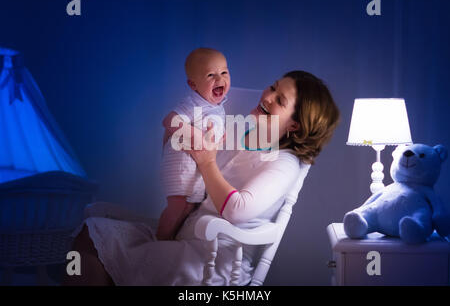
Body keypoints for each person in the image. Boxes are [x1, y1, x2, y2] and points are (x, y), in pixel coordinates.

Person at [63, 70, 340, 286]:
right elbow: (191, 173)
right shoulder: (246, 136)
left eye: (280, 100)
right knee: (93, 230)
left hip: (213, 261)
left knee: (98, 243)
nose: (267, 96)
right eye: (273, 86)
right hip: (187, 236)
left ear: (295, 124)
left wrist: (207, 161)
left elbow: (237, 209)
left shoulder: (285, 163)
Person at [157, 47, 231, 240]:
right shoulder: (194, 102)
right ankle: (159, 241)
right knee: (178, 206)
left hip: (195, 167)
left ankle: (171, 239)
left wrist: (218, 136)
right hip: (180, 165)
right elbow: (170, 121)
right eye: (210, 75)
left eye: (224, 72)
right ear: (193, 84)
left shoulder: (216, 106)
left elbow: (212, 129)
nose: (219, 79)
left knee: (189, 208)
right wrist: (196, 135)